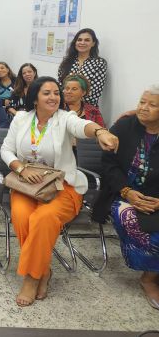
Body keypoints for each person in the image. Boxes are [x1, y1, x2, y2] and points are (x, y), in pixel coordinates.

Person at [0, 76, 118, 307]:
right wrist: (21, 168)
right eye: (47, 93)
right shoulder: (22, 119)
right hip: (28, 184)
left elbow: (82, 126)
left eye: (56, 92)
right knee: (23, 217)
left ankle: (32, 277)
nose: (54, 97)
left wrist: (100, 131)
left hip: (63, 187)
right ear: (35, 98)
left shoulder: (65, 118)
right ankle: (44, 270)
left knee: (43, 218)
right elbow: (6, 150)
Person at [92, 86, 159, 310]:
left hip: (155, 197)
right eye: (142, 102)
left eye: (152, 104)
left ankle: (151, 274)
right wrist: (126, 191)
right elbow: (108, 164)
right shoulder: (124, 126)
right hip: (120, 192)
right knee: (133, 221)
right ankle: (149, 277)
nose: (143, 108)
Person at [57, 28, 107, 106]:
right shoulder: (66, 62)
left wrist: (72, 102)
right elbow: (60, 86)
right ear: (75, 42)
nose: (82, 42)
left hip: (86, 108)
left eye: (87, 40)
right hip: (64, 106)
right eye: (79, 40)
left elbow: (95, 93)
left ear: (93, 43)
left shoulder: (99, 63)